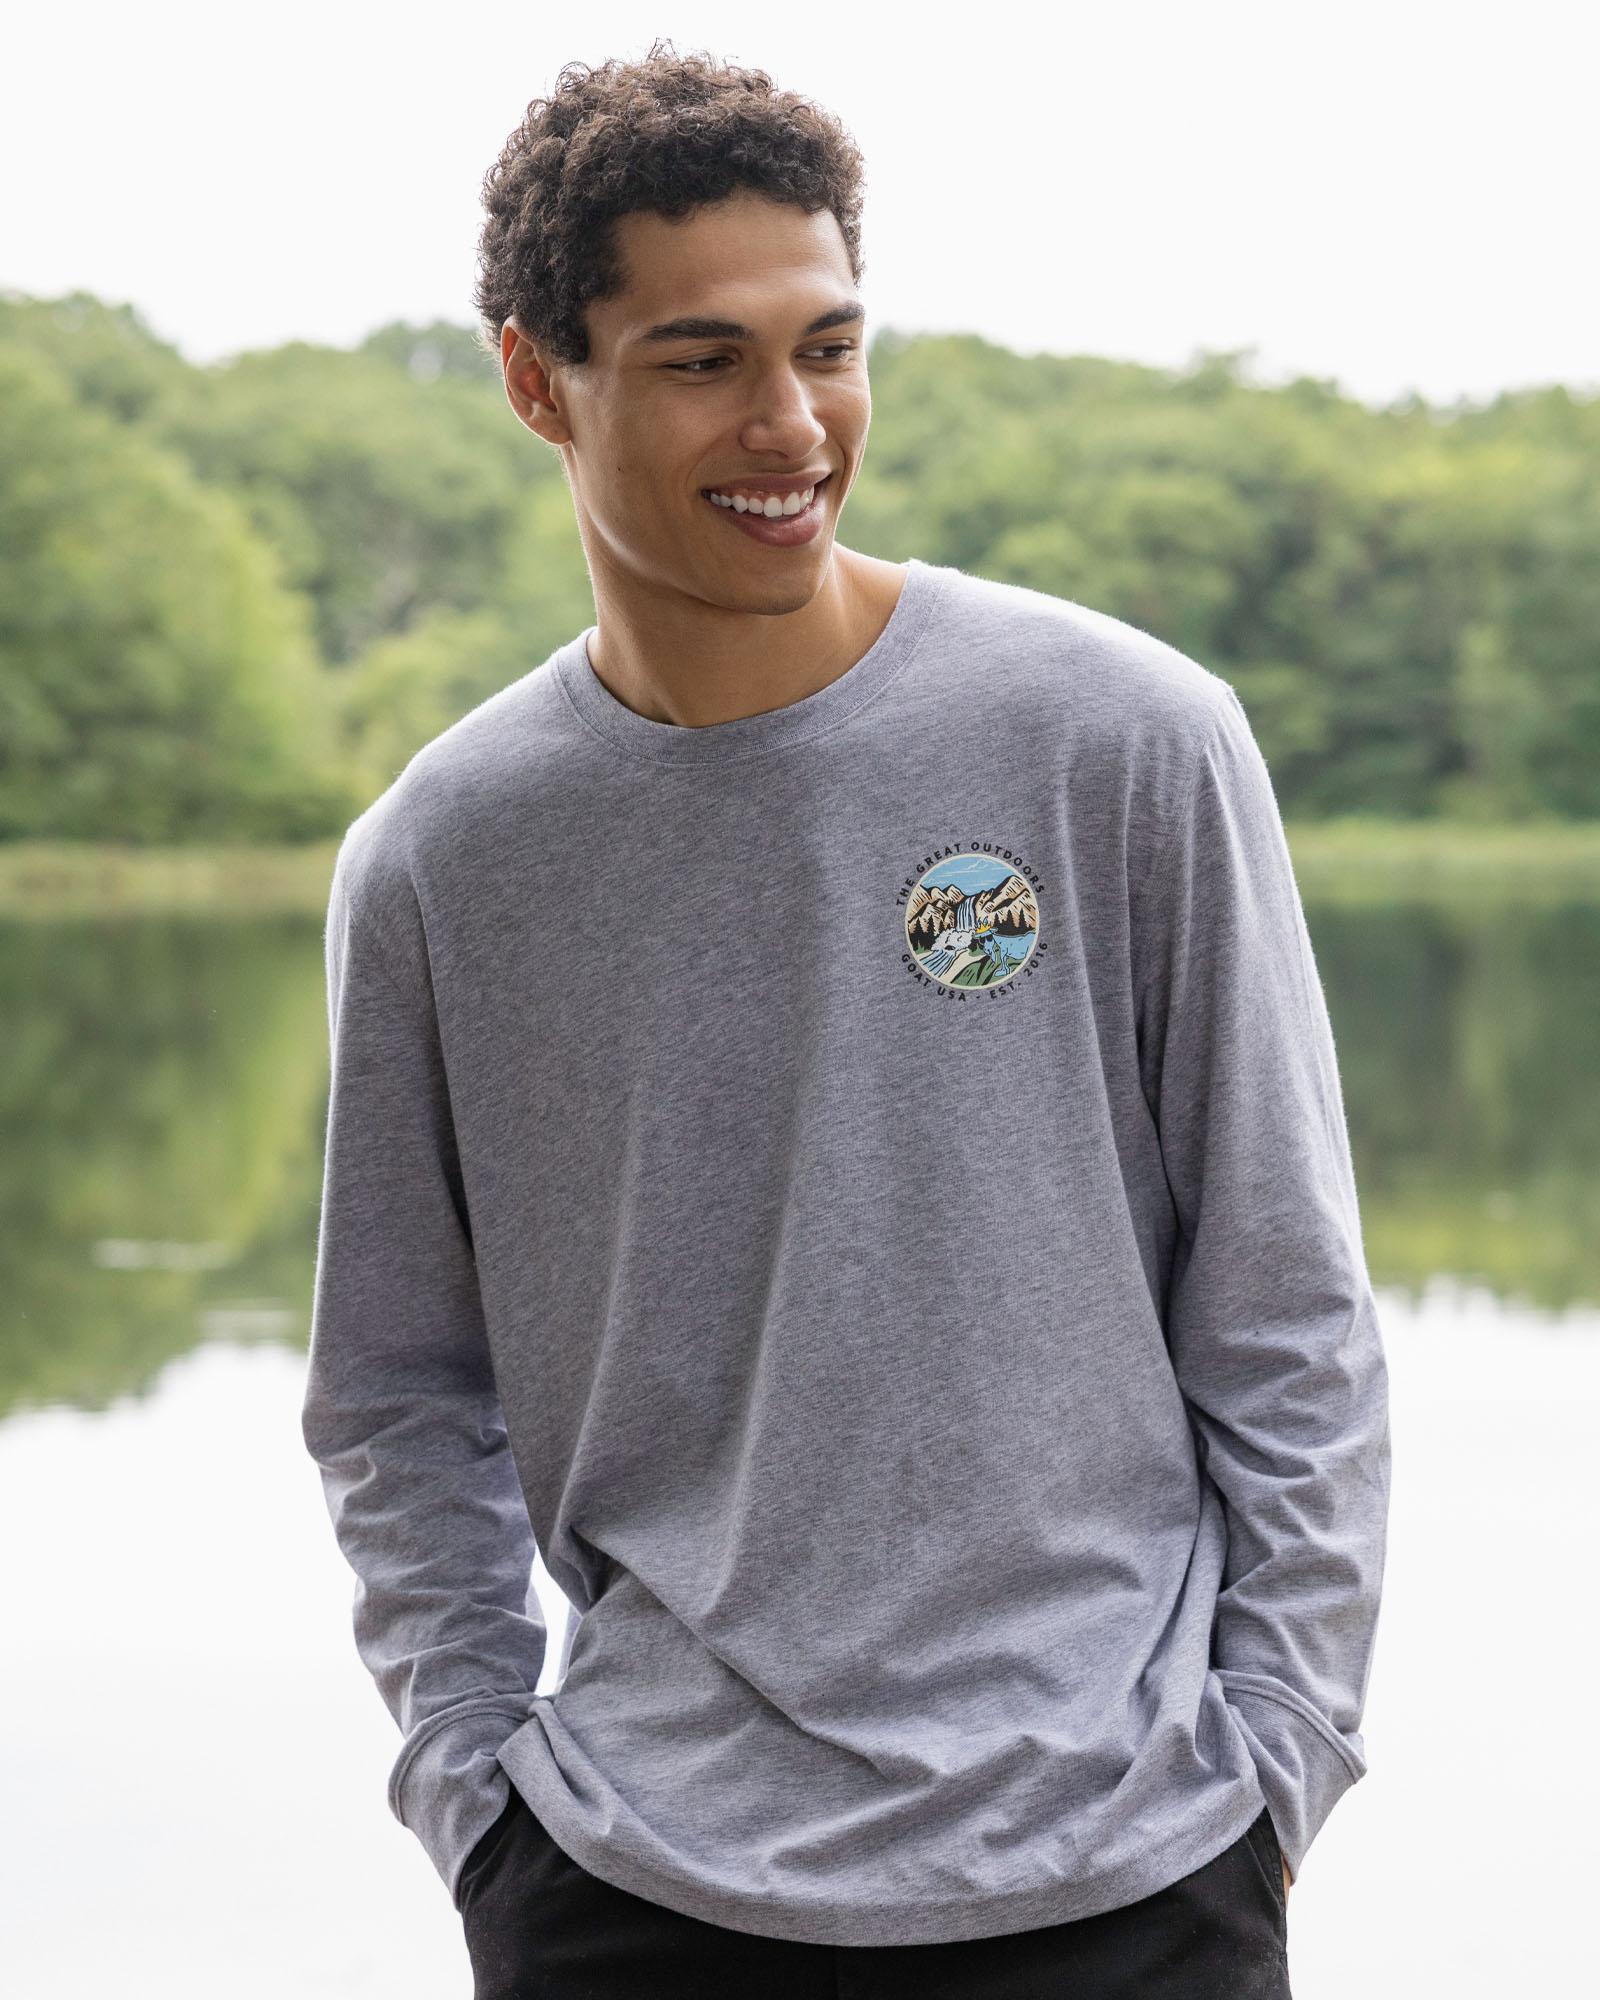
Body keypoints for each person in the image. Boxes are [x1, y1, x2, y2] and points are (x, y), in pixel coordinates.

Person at [302, 39, 1390, 2000]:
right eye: (702, 357)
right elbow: (394, 1399)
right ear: (536, 377)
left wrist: (1272, 1772)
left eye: (827, 345)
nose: (789, 423)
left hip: (1134, 1876)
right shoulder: (440, 862)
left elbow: (1288, 1318)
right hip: (630, 1898)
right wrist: (482, 1812)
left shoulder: (1123, 741)